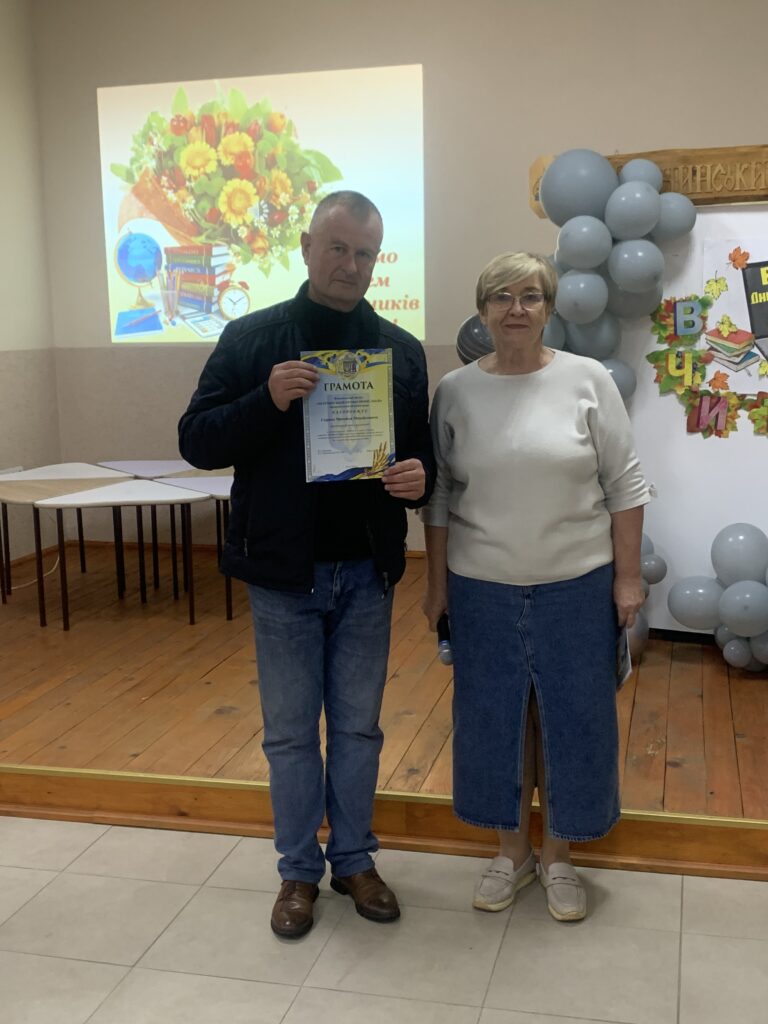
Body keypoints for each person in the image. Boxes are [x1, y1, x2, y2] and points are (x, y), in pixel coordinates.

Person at [179, 191, 435, 938]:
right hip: (283, 574)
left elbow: (424, 460)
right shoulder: (252, 338)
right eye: (338, 248)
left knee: (359, 730)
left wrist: (420, 480)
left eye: (365, 253)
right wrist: (266, 400)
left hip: (367, 572)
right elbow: (196, 440)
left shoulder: (401, 351)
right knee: (290, 734)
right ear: (305, 247)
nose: (351, 264)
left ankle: (354, 859)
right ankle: (297, 873)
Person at [421, 252, 649, 922]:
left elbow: (626, 485)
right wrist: (435, 585)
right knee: (493, 722)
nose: (515, 309)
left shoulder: (587, 380)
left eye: (529, 296)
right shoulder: (455, 391)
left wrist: (627, 578)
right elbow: (438, 496)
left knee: (573, 722)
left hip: (576, 586)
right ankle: (511, 853)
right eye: (501, 296)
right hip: (481, 587)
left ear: (549, 308)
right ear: (482, 310)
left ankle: (559, 857)